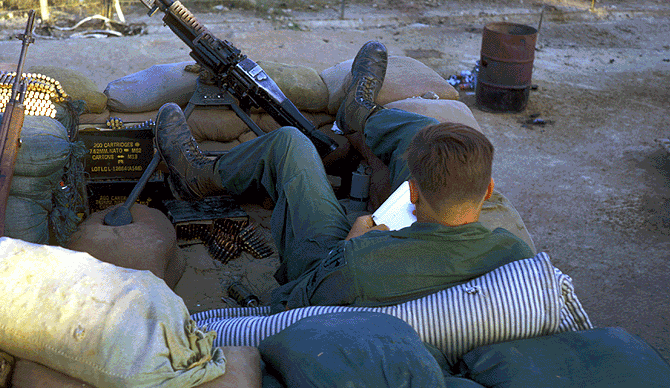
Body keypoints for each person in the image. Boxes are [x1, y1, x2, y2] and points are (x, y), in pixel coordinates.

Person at [154, 41, 534, 313]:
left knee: (289, 143)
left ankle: (200, 177)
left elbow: (287, 306)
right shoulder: (515, 256)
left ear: (413, 192)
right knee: (423, 133)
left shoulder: (358, 266)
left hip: (332, 261)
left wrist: (350, 248)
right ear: (488, 190)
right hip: (394, 242)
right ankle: (359, 115)